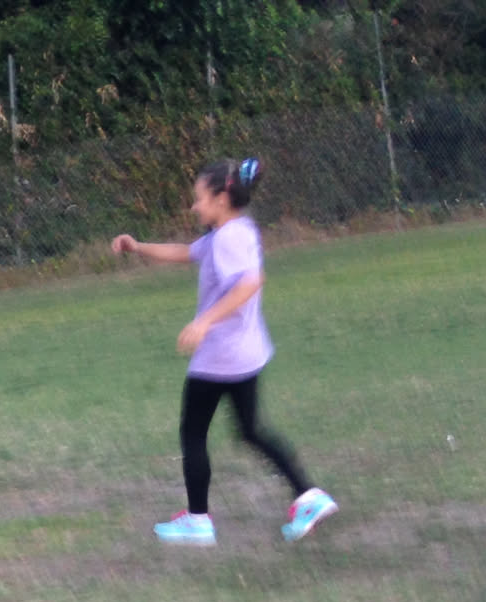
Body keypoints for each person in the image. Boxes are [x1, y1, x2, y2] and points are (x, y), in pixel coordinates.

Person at [113, 158, 337, 546]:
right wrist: (137, 247)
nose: (193, 206)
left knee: (193, 433)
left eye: (198, 198)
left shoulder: (228, 239)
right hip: (247, 354)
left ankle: (198, 520)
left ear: (220, 198)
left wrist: (204, 322)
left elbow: (250, 282)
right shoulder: (236, 230)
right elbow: (186, 252)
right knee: (250, 430)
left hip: (220, 357)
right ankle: (308, 497)